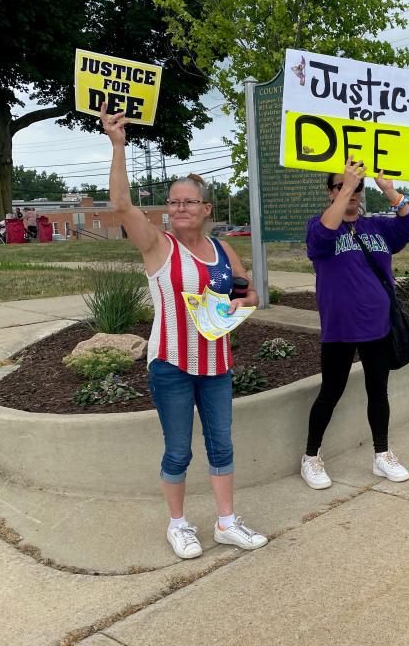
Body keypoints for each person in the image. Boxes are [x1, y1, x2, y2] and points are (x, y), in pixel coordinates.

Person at [101, 104, 267, 559]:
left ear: (206, 207)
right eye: (173, 202)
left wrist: (239, 302)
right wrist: (118, 144)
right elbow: (121, 205)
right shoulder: (158, 245)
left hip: (217, 364)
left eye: (188, 201)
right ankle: (178, 525)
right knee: (178, 451)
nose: (179, 208)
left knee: (222, 444)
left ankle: (227, 522)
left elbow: (250, 295)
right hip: (171, 364)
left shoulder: (222, 249)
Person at [300, 158, 409, 490]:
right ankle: (310, 457)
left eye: (355, 186)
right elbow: (324, 234)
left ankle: (382, 454)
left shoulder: (377, 227)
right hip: (340, 328)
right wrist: (347, 188)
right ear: (330, 192)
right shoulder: (319, 227)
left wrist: (390, 192)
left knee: (377, 391)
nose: (350, 191)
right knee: (331, 392)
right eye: (341, 185)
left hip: (378, 326)